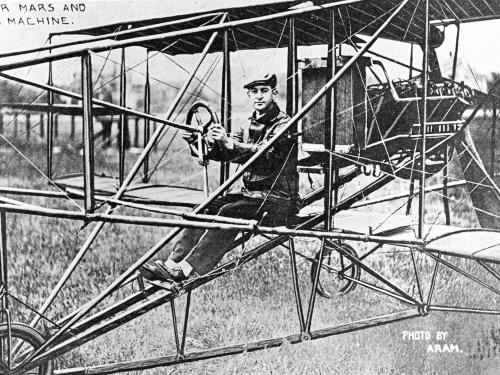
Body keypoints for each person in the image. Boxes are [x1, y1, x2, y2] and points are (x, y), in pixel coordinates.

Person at [139, 73, 299, 282]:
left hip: (279, 199)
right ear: (249, 95)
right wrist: (207, 144)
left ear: (274, 93)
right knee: (205, 207)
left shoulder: (284, 125)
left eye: (264, 91)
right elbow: (228, 151)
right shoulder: (248, 125)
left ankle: (186, 270)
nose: (259, 96)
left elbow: (266, 154)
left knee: (228, 212)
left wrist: (230, 144)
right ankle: (170, 264)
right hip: (253, 196)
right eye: (254, 91)